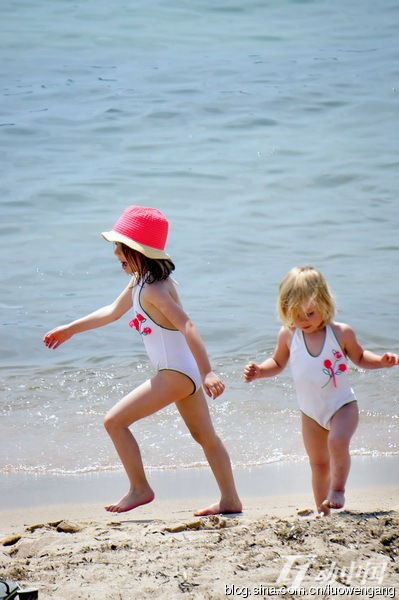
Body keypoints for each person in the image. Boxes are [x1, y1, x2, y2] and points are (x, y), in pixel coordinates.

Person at [44, 205, 242, 516]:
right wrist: (70, 329)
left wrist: (209, 372)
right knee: (204, 436)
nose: (116, 254)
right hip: (183, 373)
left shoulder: (154, 289)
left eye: (121, 248)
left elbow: (188, 325)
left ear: (139, 250)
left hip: (177, 374)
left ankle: (140, 489)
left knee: (114, 421)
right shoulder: (140, 281)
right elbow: (111, 311)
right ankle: (230, 499)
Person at [244, 266, 398, 516]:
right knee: (317, 463)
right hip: (310, 413)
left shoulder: (340, 333)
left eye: (310, 313)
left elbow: (359, 357)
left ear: (325, 304)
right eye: (295, 314)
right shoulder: (288, 335)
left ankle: (337, 490)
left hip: (343, 406)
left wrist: (381, 361)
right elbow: (278, 362)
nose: (303, 321)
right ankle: (321, 510)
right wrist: (260, 370)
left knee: (337, 442)